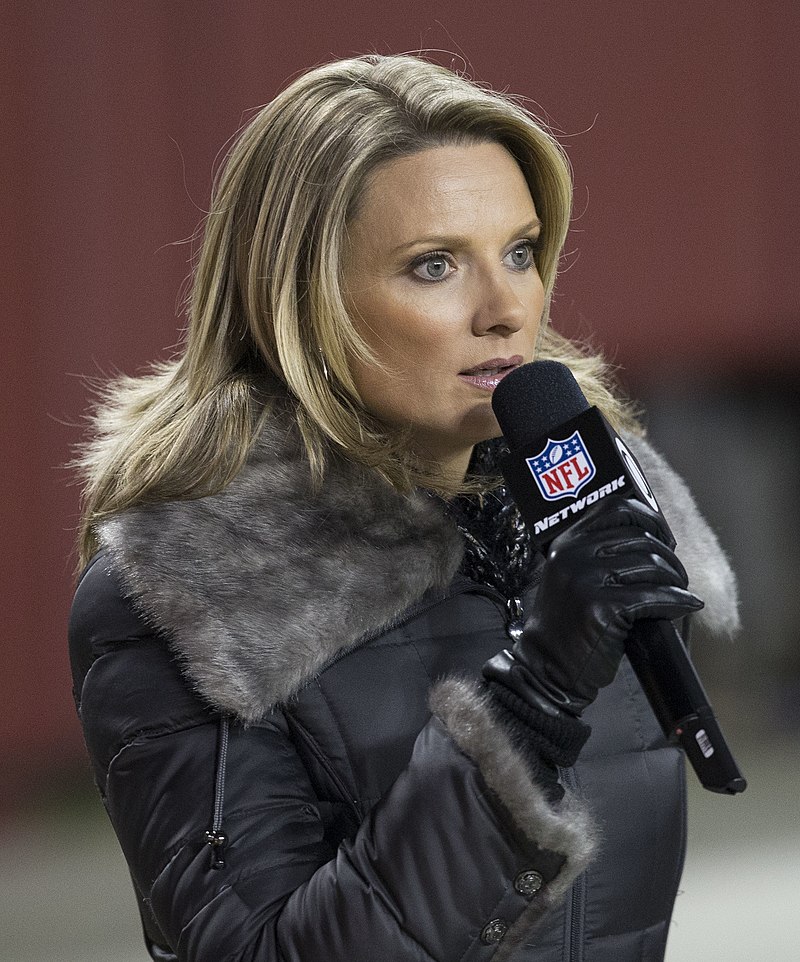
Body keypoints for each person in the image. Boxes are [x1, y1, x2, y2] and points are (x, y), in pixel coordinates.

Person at [68, 53, 739, 962]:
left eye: (521, 251)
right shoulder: (187, 595)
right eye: (433, 266)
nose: (507, 308)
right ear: (303, 300)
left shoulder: (592, 512)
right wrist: (529, 699)